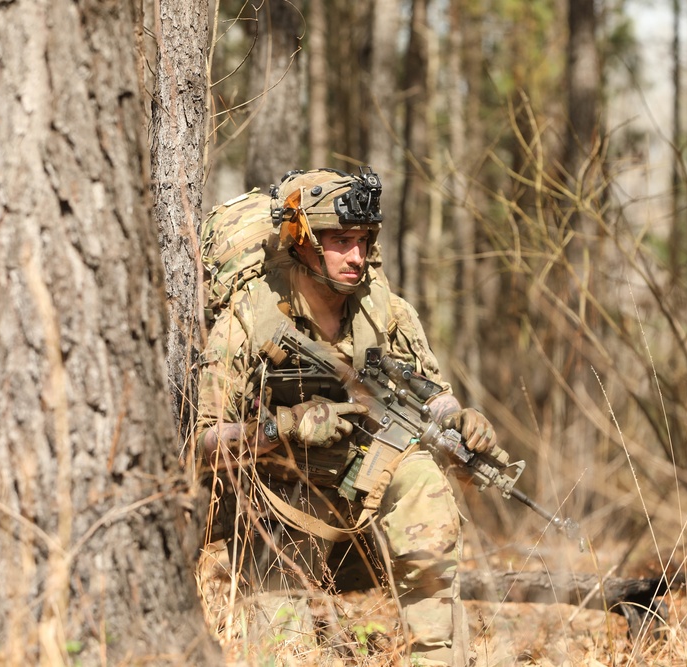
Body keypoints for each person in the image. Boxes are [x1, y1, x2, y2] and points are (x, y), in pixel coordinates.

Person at [195, 167, 498, 665]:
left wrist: (462, 418)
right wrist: (277, 428)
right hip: (285, 499)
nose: (356, 256)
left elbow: (432, 393)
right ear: (303, 240)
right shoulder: (250, 314)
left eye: (362, 240)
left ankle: (436, 655)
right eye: (340, 241)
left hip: (368, 489)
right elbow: (205, 441)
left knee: (423, 480)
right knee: (281, 651)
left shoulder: (383, 308)